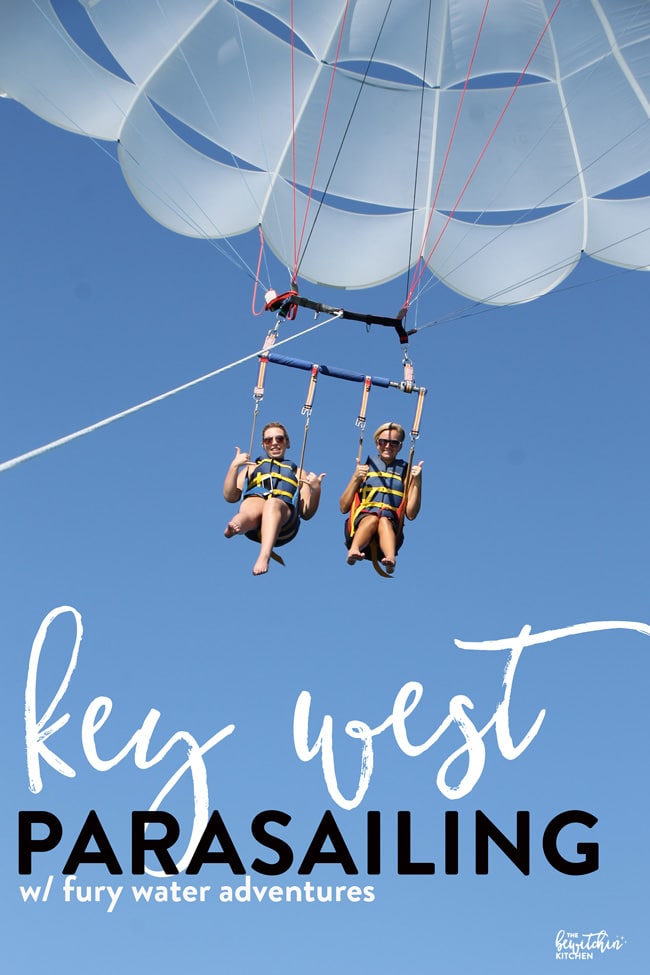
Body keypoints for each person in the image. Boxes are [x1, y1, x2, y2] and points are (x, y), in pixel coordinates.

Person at [224, 422, 325, 575]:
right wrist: (234, 467)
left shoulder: (299, 473)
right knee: (252, 503)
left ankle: (264, 556)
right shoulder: (252, 467)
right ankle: (236, 525)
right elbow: (230, 496)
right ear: (263, 445)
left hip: (284, 523)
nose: (274, 443)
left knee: (272, 503)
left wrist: (316, 490)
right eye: (268, 440)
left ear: (287, 442)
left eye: (279, 439)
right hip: (254, 514)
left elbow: (306, 513)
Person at [339, 422, 422, 572]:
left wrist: (417, 481)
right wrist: (356, 479)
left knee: (383, 520)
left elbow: (411, 514)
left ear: (400, 447)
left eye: (394, 443)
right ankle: (354, 549)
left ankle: (390, 558)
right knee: (372, 518)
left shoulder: (405, 473)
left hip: (390, 523)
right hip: (362, 520)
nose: (388, 446)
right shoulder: (365, 468)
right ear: (377, 444)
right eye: (383, 442)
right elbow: (343, 507)